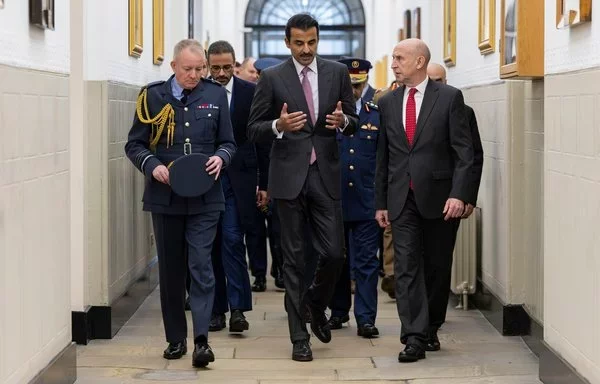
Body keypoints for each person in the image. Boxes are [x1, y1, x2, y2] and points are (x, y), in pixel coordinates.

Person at [247, 13, 358, 362]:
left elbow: (353, 121)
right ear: (287, 42)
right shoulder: (273, 77)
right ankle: (299, 338)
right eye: (299, 43)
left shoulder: (337, 73)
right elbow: (254, 129)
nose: (306, 49)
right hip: (288, 178)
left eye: (311, 42)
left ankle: (314, 302)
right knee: (293, 261)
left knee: (335, 253)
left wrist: (344, 121)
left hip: (325, 174)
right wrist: (278, 125)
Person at [124, 39, 236, 368]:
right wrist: (152, 165)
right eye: (188, 69)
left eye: (200, 69)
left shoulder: (215, 95)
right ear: (173, 66)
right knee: (172, 272)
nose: (195, 75)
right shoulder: (153, 96)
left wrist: (221, 158)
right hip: (165, 197)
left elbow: (228, 142)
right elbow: (134, 144)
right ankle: (176, 338)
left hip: (205, 197)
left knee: (201, 266)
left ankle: (202, 339)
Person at [375, 39, 473, 363]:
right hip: (402, 198)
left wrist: (460, 194)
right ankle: (413, 337)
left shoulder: (449, 98)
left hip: (440, 198)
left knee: (435, 265)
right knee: (405, 267)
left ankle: (431, 325)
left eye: (399, 58)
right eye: (393, 58)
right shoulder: (388, 102)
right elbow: (384, 156)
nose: (393, 64)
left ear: (419, 61)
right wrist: (381, 203)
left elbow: (464, 153)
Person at [204, 41, 268, 334]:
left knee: (232, 239)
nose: (221, 73)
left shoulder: (250, 92)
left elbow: (262, 141)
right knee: (211, 245)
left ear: (235, 64)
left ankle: (239, 308)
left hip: (239, 179)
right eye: (215, 67)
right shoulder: (199, 92)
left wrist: (264, 183)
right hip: (206, 180)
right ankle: (217, 310)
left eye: (226, 67)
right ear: (207, 65)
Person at [422, 62, 483, 351]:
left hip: (448, 200)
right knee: (413, 264)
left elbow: (473, 156)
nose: (437, 86)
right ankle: (415, 324)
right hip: (414, 197)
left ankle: (432, 324)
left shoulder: (463, 112)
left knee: (438, 262)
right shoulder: (411, 109)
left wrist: (467, 196)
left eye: (440, 80)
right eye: (431, 80)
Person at [326, 58, 381, 338]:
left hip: (367, 199)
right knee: (336, 258)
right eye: (350, 85)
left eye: (359, 85)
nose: (355, 91)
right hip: (333, 199)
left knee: (367, 261)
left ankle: (366, 317)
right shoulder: (329, 112)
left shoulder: (376, 112)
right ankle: (338, 312)